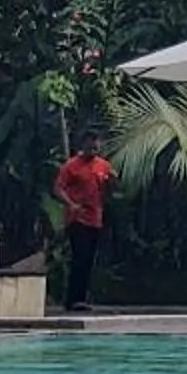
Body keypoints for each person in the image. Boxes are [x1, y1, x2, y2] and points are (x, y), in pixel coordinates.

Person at [54, 131, 114, 312]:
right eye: (91, 145)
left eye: (97, 145)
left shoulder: (103, 166)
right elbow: (58, 189)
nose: (94, 148)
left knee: (89, 259)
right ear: (84, 144)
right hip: (77, 218)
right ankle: (74, 298)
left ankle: (80, 298)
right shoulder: (71, 166)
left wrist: (111, 185)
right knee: (80, 256)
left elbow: (108, 189)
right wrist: (71, 204)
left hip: (95, 218)